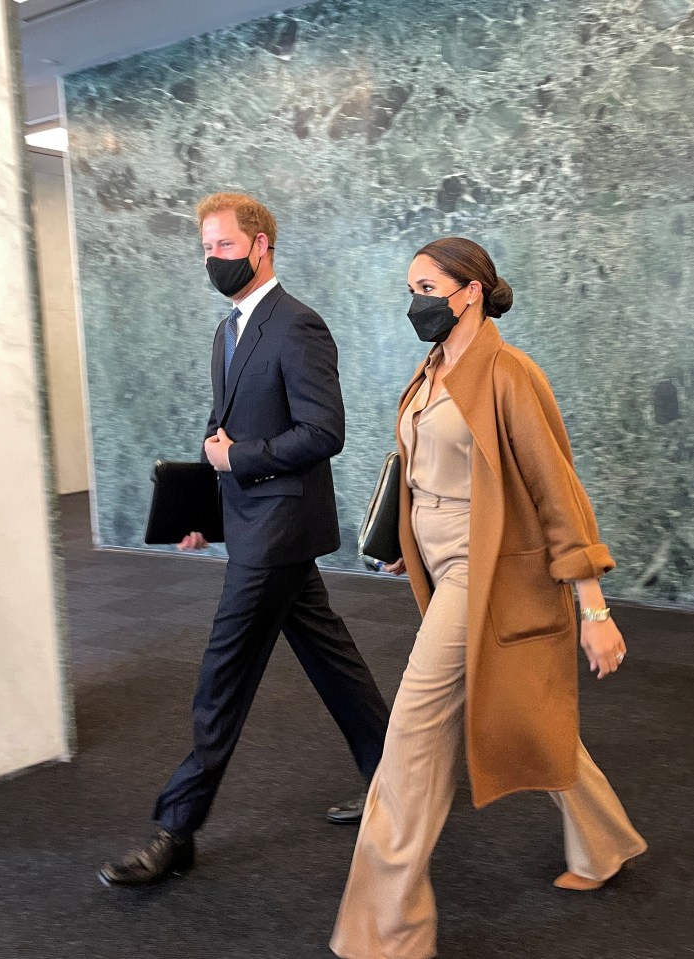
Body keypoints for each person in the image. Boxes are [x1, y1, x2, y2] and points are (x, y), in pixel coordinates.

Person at [330, 237, 647, 959]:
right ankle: (602, 842)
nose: (415, 299)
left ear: (469, 290)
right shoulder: (430, 370)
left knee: (411, 736)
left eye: (427, 285)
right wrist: (403, 542)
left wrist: (592, 610)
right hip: (438, 561)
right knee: (526, 711)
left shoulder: (508, 373)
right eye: (409, 286)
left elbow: (556, 493)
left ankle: (385, 930)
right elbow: (416, 474)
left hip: (488, 568)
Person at [98, 192, 389, 887]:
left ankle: (176, 829)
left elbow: (325, 433)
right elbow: (220, 433)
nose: (211, 257)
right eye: (204, 246)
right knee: (334, 662)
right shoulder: (227, 330)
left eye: (223, 245)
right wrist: (208, 506)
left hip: (280, 528)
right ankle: (397, 782)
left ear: (260, 245)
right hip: (252, 522)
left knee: (220, 678)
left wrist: (240, 459)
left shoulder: (298, 327)